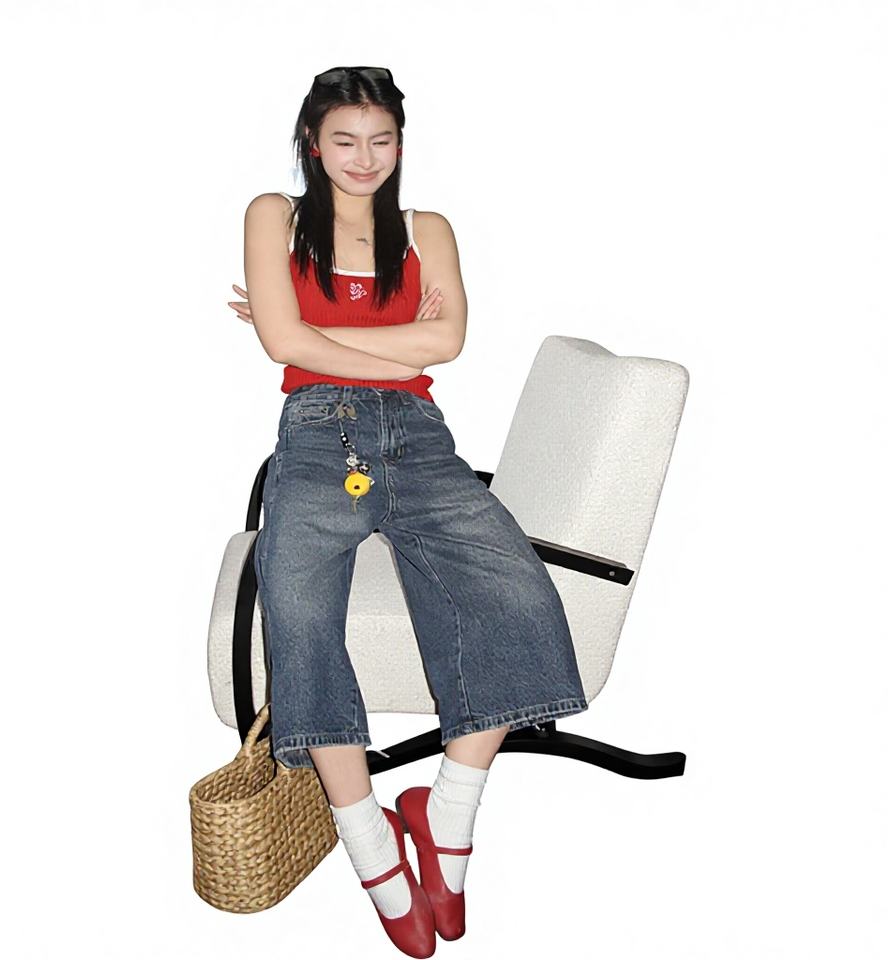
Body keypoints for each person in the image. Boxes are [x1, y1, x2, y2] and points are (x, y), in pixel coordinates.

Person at [228, 65, 587, 956]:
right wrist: (384, 349)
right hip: (317, 439)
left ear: (400, 143)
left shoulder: (428, 230)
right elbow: (287, 346)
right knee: (298, 610)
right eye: (344, 140)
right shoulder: (275, 216)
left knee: (519, 592)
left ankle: (447, 810)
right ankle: (371, 842)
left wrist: (314, 336)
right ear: (313, 143)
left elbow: (446, 343)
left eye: (381, 140)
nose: (364, 157)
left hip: (421, 438)